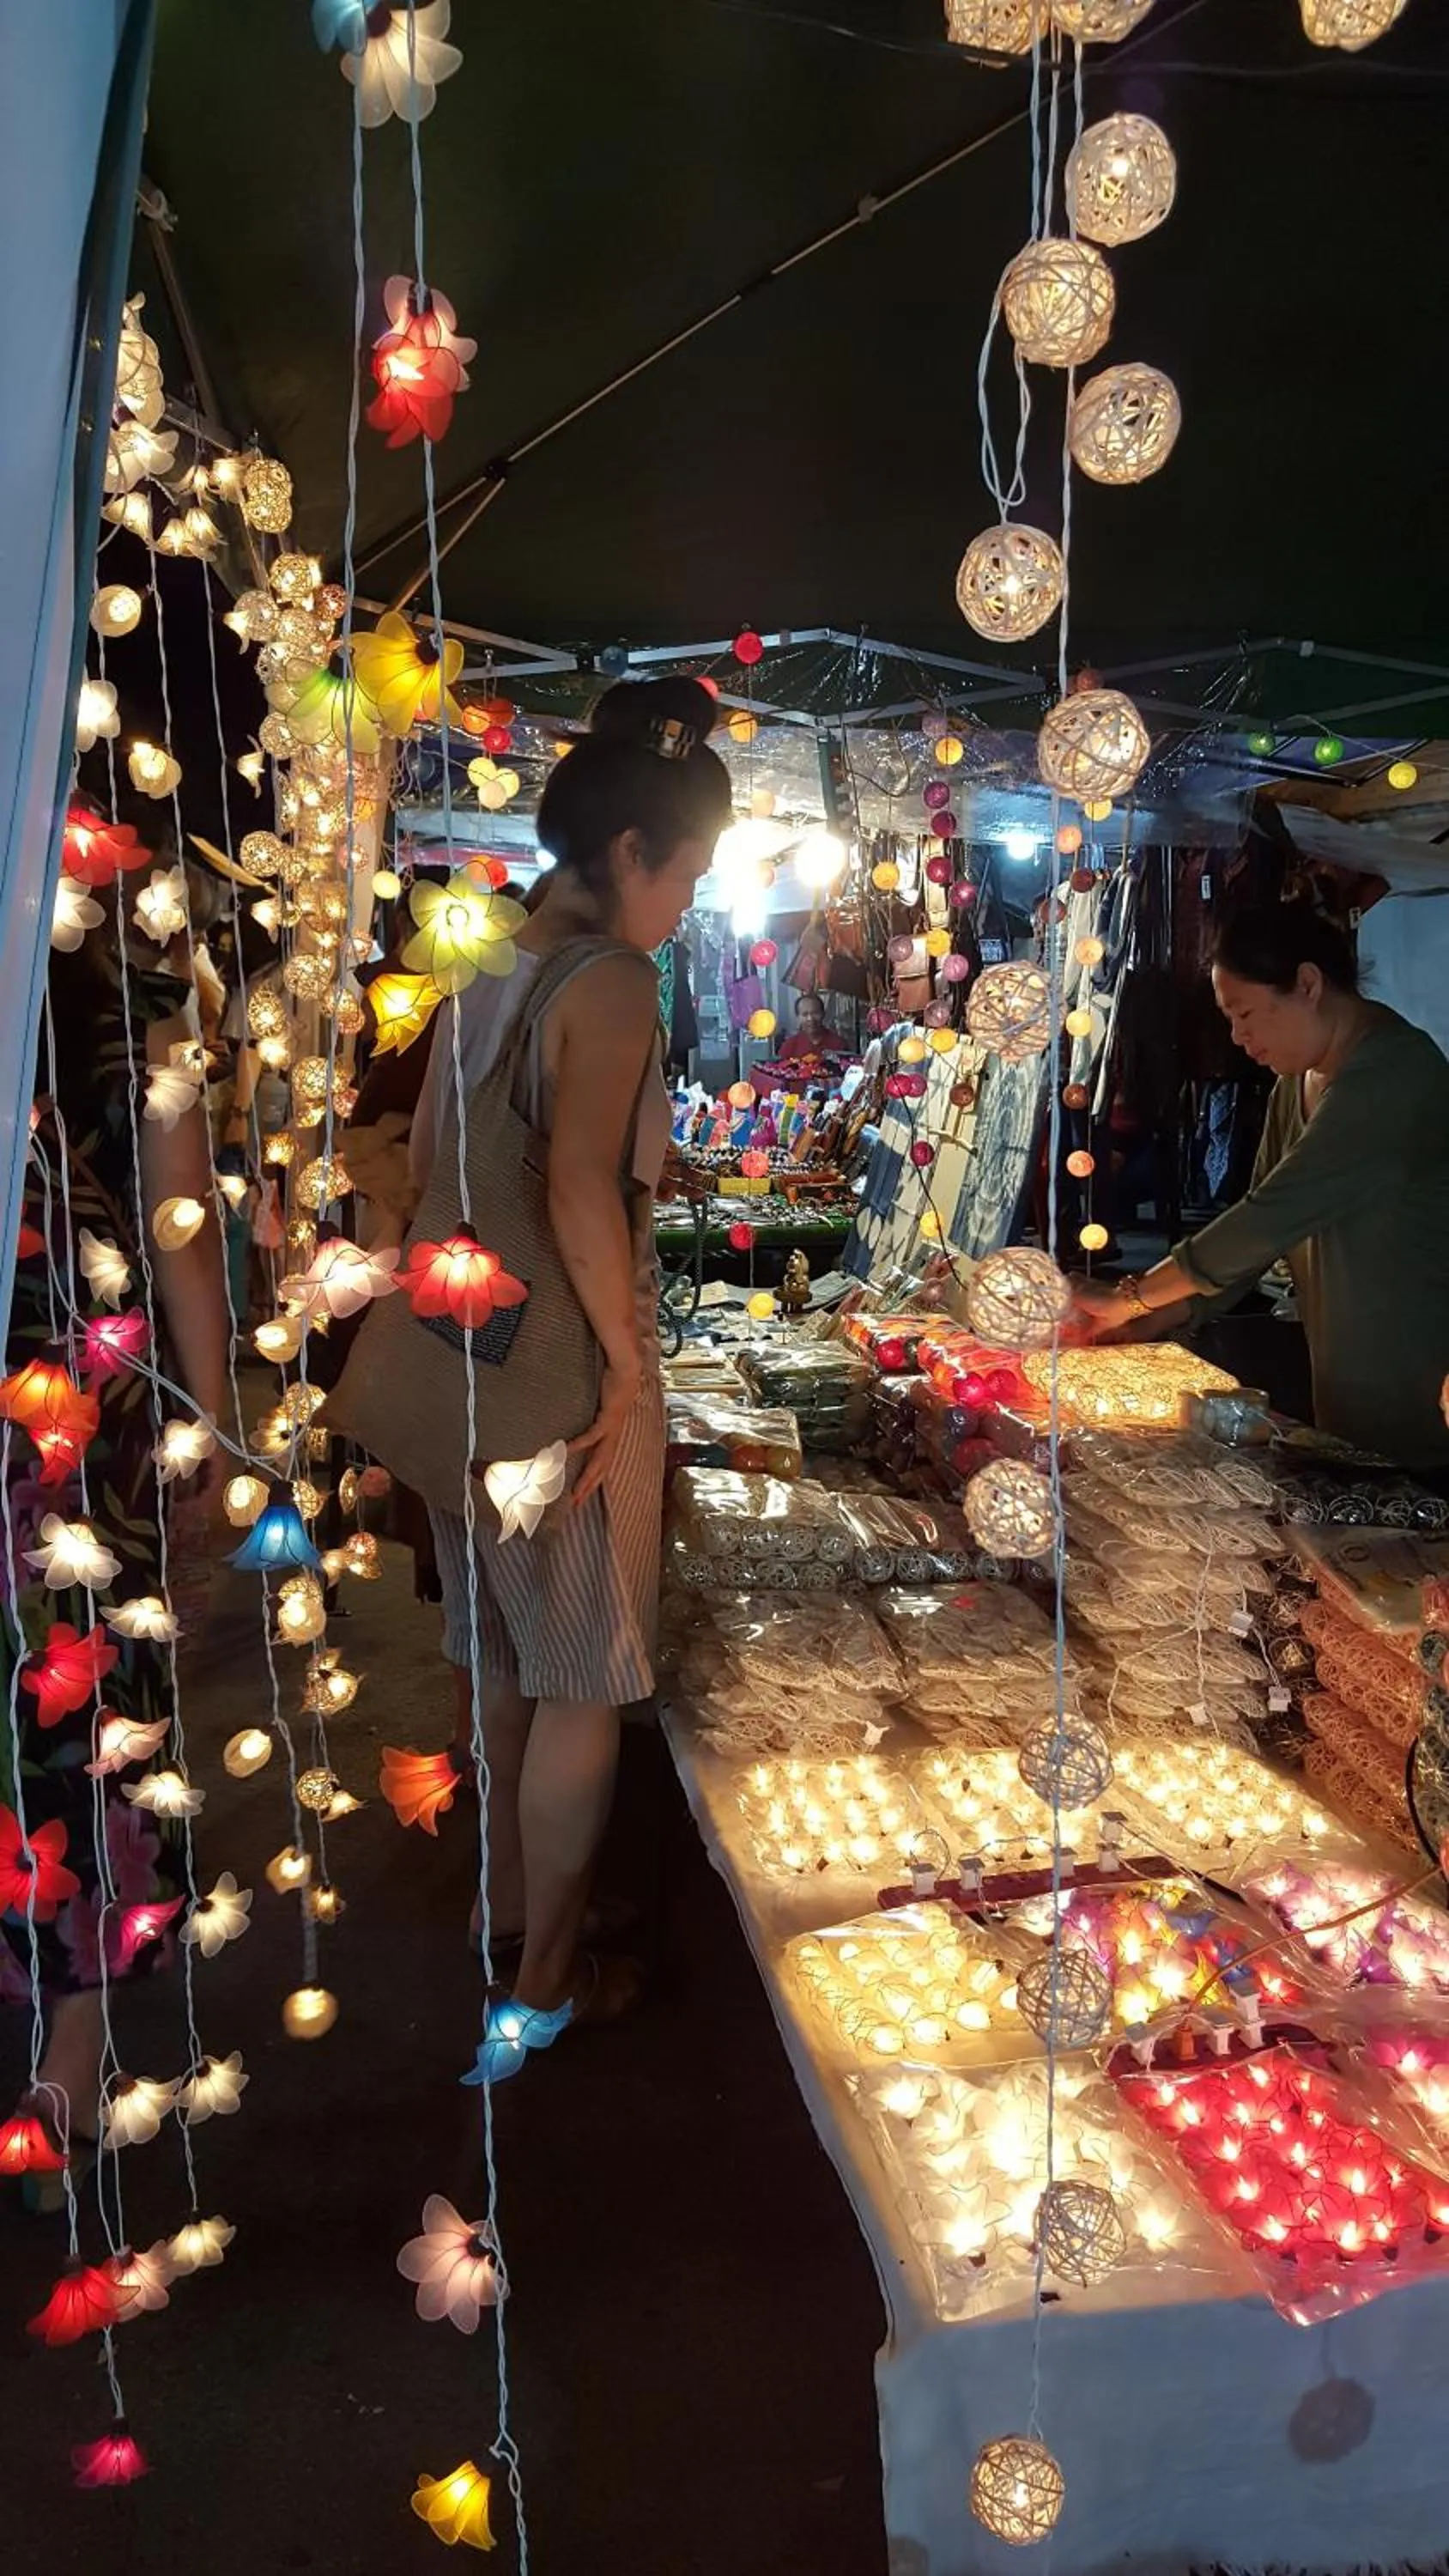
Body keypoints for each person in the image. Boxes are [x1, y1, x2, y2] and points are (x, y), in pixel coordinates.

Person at [406, 678, 731, 2080]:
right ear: (627, 856)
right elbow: (587, 1192)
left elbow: (439, 1163)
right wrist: (625, 1373)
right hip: (557, 1369)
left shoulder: (486, 957)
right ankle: (543, 1979)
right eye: (688, 873)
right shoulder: (608, 980)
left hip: (458, 1353)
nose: (685, 903)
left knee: (501, 1668)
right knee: (586, 1680)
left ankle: (506, 1912)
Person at [2, 872, 229, 2196]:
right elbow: (177, 1212)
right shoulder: (125, 937)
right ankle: (66, 2062)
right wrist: (210, 1413)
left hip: (67, 1394)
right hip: (71, 1399)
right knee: (80, 1715)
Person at [1071, 901, 1449, 1475]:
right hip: (1346, 1384)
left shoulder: (1396, 1074)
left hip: (1422, 1380)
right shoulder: (1295, 1084)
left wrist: (1134, 1296)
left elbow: (1268, 1217)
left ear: (1307, 984)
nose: (1237, 1036)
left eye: (1244, 1013)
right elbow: (1255, 1248)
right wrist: (1160, 1317)